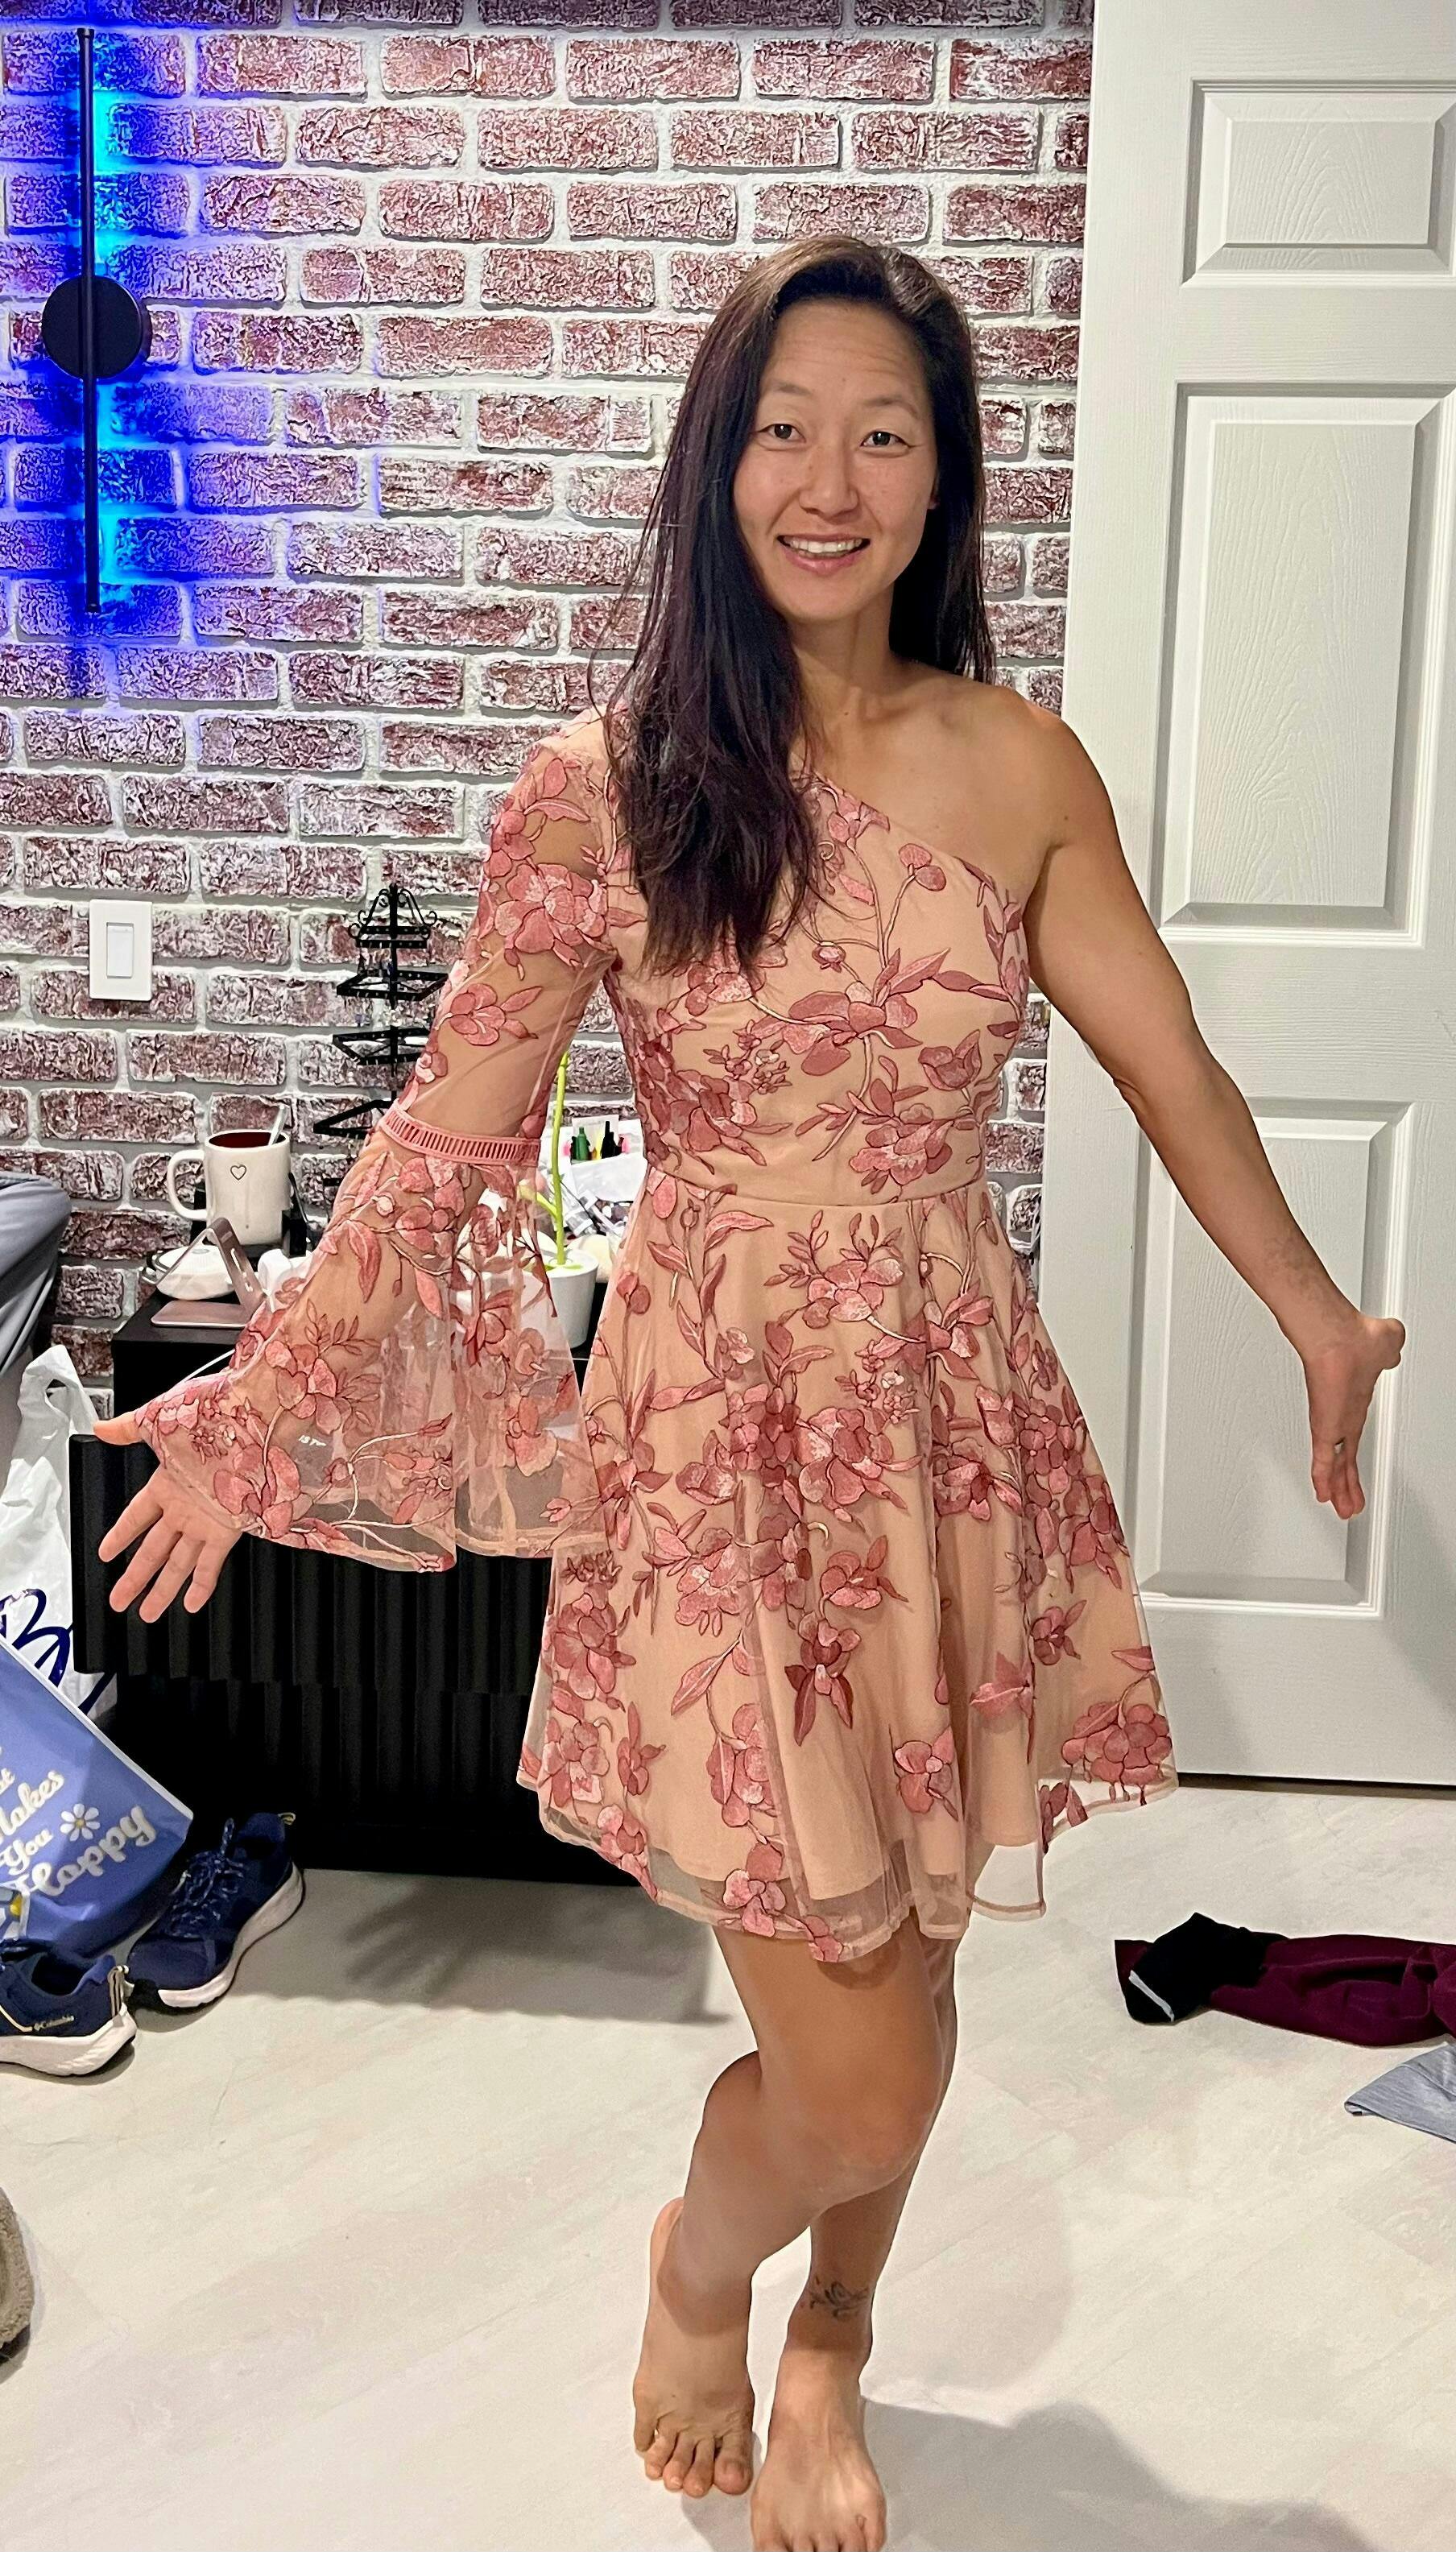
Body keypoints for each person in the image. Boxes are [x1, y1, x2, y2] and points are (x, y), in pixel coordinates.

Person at [94, 238, 1404, 2552]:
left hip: (947, 1423)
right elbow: (453, 1139)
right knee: (854, 2059)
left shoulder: (1019, 766)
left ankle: (833, 2341)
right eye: (787, 428)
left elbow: (1172, 1065)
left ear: (943, 477)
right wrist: (258, 1396)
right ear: (719, 463)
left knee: (909, 1958)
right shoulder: (607, 788)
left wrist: (1313, 1310)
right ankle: (706, 2271)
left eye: (885, 433)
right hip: (719, 1448)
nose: (832, 479)